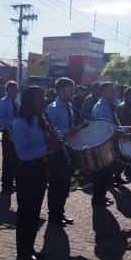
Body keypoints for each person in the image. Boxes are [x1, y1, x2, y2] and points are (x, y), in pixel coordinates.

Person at [12, 86, 62, 260]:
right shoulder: (20, 124)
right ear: (29, 101)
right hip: (26, 172)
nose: (43, 102)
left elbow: (46, 142)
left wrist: (55, 139)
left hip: (40, 170)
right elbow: (23, 153)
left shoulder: (39, 119)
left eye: (43, 98)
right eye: (39, 98)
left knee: (35, 212)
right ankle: (23, 252)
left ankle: (30, 247)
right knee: (26, 213)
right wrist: (48, 148)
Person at [46, 77, 76, 226]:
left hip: (67, 150)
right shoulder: (53, 108)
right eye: (71, 90)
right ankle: (53, 215)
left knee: (64, 185)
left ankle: (60, 212)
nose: (73, 92)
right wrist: (67, 131)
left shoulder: (69, 106)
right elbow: (49, 130)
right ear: (61, 91)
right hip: (56, 152)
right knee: (56, 185)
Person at [92, 82, 122, 203]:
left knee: (105, 173)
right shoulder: (99, 107)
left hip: (106, 144)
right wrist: (117, 132)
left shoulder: (107, 105)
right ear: (103, 92)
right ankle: (97, 199)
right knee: (100, 174)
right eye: (111, 90)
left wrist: (122, 129)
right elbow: (100, 128)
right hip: (101, 144)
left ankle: (101, 196)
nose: (114, 92)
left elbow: (110, 125)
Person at [0, 81, 19, 193]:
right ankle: (6, 184)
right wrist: (12, 122)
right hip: (8, 134)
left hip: (17, 135)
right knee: (8, 160)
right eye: (14, 90)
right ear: (8, 90)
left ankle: (11, 182)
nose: (16, 92)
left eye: (17, 90)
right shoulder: (3, 102)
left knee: (15, 160)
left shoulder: (17, 103)